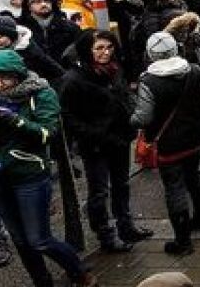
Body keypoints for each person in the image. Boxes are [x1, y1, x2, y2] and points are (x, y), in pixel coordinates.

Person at [0, 49, 96, 286]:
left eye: (3, 78)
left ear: (18, 75)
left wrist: (15, 120)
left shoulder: (40, 93)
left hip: (29, 175)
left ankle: (79, 273)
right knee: (20, 241)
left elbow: (47, 134)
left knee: (39, 239)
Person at [58, 30, 152, 253]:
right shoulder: (73, 79)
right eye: (99, 48)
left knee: (122, 185)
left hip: (119, 139)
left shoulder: (114, 69)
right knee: (99, 191)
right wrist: (93, 133)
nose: (105, 52)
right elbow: (68, 116)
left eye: (109, 47)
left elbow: (123, 97)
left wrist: (130, 117)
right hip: (96, 144)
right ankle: (105, 235)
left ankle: (126, 225)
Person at [130, 32, 200, 256]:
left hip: (168, 143)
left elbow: (143, 118)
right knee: (195, 175)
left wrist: (128, 115)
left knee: (174, 187)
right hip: (195, 136)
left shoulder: (148, 80)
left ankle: (183, 241)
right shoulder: (194, 70)